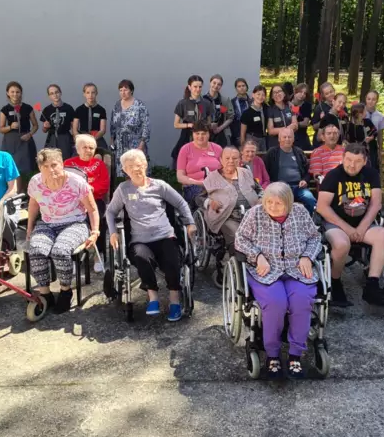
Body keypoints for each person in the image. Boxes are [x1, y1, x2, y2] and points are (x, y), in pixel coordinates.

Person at [235, 182, 321, 379]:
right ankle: (272, 354)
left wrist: (307, 257)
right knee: (276, 302)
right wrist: (257, 256)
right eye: (269, 202)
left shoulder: (300, 213)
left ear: (288, 203)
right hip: (266, 270)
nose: (272, 207)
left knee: (301, 301)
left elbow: (315, 237)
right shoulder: (255, 214)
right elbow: (240, 239)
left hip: (296, 268)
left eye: (278, 203)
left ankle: (295, 354)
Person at [107, 149, 196, 322]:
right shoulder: (123, 189)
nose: (135, 169)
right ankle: (153, 297)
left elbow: (181, 203)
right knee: (141, 257)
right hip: (140, 240)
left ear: (145, 165)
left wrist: (190, 223)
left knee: (172, 258)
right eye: (130, 166)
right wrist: (112, 233)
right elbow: (110, 212)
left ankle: (174, 299)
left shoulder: (159, 185)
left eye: (138, 165)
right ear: (124, 170)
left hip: (165, 235)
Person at [316, 143, 384, 308]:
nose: (352, 165)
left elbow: (376, 204)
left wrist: (361, 228)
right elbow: (322, 207)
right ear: (343, 158)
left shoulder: (371, 174)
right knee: (341, 244)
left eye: (358, 161)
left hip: (362, 225)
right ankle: (335, 282)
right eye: (349, 160)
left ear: (364, 161)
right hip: (336, 224)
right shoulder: (333, 175)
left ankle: (372, 285)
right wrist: (349, 229)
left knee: (383, 235)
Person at [26, 148, 101, 314]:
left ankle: (66, 291)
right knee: (36, 249)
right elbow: (33, 205)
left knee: (60, 251)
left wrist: (95, 231)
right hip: (47, 223)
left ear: (62, 164)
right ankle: (45, 294)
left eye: (54, 165)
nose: (50, 170)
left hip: (75, 223)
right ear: (40, 168)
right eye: (45, 166)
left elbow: (92, 209)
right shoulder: (35, 181)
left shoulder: (76, 182)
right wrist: (30, 228)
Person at [202, 146, 262, 286]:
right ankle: (239, 272)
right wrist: (210, 202)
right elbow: (199, 198)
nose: (231, 161)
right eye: (227, 158)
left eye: (234, 158)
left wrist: (261, 197)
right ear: (221, 160)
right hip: (226, 216)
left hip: (251, 215)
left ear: (239, 160)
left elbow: (259, 189)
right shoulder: (212, 177)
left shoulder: (246, 173)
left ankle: (258, 267)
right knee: (238, 237)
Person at [64, 134, 111, 273]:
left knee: (98, 220)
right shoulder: (68, 164)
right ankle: (72, 257)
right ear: (77, 149)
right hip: (73, 201)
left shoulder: (99, 164)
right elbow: (63, 184)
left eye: (91, 148)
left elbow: (104, 185)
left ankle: (98, 254)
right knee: (68, 221)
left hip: (94, 200)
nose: (88, 150)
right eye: (85, 147)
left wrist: (89, 190)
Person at [264, 128, 315, 214]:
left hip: (298, 187)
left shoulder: (298, 152)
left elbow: (308, 171)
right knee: (281, 203)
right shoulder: (272, 153)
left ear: (293, 139)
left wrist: (305, 180)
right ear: (279, 139)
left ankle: (308, 219)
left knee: (309, 199)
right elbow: (265, 172)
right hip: (279, 187)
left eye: (289, 137)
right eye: (284, 137)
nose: (287, 139)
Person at [0, 81, 38, 191]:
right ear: (7, 93)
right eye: (12, 92)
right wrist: (10, 127)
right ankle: (14, 192)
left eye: (17, 92)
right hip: (10, 141)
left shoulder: (28, 108)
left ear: (21, 93)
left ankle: (25, 192)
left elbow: (35, 125)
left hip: (25, 140)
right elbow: (1, 128)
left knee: (25, 167)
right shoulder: (5, 109)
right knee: (13, 167)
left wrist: (29, 134)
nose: (15, 94)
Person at [110, 79, 150, 177]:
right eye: (120, 90)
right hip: (120, 145)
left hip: (135, 144)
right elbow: (112, 125)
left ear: (131, 90)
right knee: (123, 171)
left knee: (136, 171)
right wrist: (112, 142)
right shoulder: (117, 105)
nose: (123, 92)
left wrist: (141, 144)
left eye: (125, 90)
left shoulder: (139, 105)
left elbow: (146, 125)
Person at [176, 119, 223, 203]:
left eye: (203, 133)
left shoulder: (217, 148)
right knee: (204, 197)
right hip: (193, 186)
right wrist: (198, 183)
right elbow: (180, 176)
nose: (200, 136)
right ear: (193, 134)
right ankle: (209, 204)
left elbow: (225, 171)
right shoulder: (185, 149)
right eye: (197, 133)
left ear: (209, 134)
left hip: (216, 185)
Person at [172, 75, 214, 167]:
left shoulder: (206, 103)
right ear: (189, 87)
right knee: (183, 161)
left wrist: (208, 125)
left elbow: (209, 122)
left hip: (202, 138)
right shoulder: (182, 103)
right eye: (195, 86)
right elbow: (176, 124)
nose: (198, 89)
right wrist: (189, 125)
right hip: (187, 136)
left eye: (200, 87)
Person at [40, 83, 77, 156]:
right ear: (49, 96)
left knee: (65, 157)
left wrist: (75, 139)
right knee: (52, 158)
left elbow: (73, 127)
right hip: (52, 138)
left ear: (60, 93)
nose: (55, 95)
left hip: (65, 138)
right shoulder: (47, 110)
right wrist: (45, 127)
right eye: (52, 93)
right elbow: (44, 131)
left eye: (56, 92)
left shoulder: (68, 108)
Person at [73, 82, 109, 151]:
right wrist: (79, 139)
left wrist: (93, 139)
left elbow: (102, 130)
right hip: (83, 137)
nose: (90, 95)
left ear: (96, 93)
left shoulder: (101, 110)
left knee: (106, 154)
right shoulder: (79, 109)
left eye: (93, 92)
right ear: (84, 94)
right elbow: (75, 129)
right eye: (88, 92)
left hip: (96, 137)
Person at [204, 74, 234, 147]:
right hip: (205, 133)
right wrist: (209, 125)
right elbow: (198, 117)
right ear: (210, 83)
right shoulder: (202, 100)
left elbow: (230, 117)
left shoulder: (225, 101)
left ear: (221, 86)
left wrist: (219, 128)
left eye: (219, 84)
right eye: (214, 83)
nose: (216, 86)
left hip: (221, 133)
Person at [265, 84, 298, 150]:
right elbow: (271, 131)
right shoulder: (269, 109)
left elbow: (296, 125)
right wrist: (287, 129)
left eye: (279, 91)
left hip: (290, 143)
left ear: (284, 93)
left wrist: (281, 130)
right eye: (274, 92)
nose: (277, 94)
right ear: (272, 96)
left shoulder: (292, 106)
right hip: (275, 144)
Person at [239, 84, 268, 153]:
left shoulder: (266, 109)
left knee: (263, 157)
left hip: (263, 139)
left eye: (263, 95)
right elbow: (242, 133)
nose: (260, 97)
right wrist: (242, 146)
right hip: (251, 139)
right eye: (258, 94)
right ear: (253, 95)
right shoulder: (247, 112)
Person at [364, 90, 384, 169]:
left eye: (373, 99)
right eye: (369, 99)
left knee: (372, 167)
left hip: (372, 145)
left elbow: (380, 135)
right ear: (365, 99)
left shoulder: (380, 116)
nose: (370, 101)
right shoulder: (359, 113)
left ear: (377, 101)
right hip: (360, 144)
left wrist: (380, 150)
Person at [311, 82, 336, 146]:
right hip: (321, 143)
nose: (330, 94)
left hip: (336, 141)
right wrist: (324, 120)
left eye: (331, 91)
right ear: (323, 96)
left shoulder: (341, 105)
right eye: (327, 93)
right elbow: (314, 127)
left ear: (334, 91)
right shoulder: (319, 108)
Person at [291, 83, 313, 150]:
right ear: (295, 91)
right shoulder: (287, 104)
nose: (302, 95)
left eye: (305, 93)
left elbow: (305, 123)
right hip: (288, 136)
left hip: (301, 137)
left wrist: (294, 124)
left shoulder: (307, 105)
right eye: (300, 92)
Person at [230, 78, 250, 147]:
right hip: (236, 135)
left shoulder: (252, 102)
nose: (241, 88)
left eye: (243, 85)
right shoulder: (232, 102)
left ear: (246, 87)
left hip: (250, 134)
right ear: (236, 88)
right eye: (239, 86)